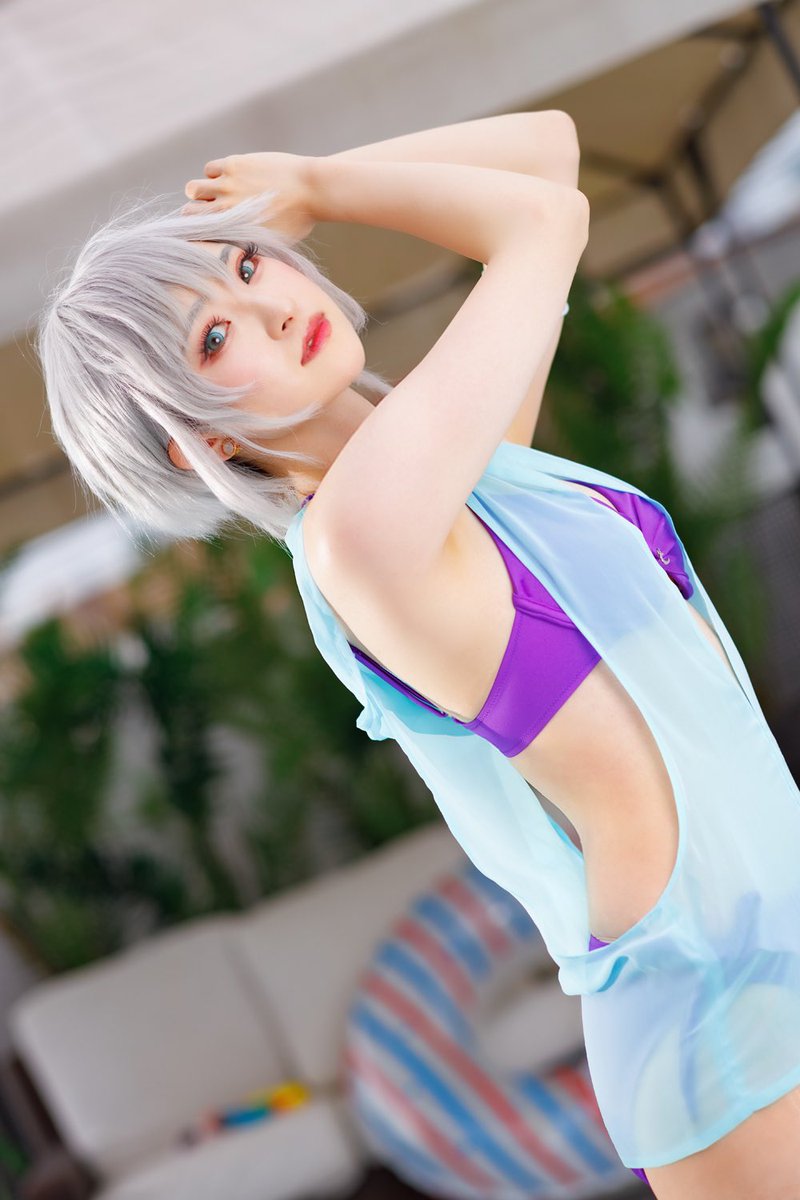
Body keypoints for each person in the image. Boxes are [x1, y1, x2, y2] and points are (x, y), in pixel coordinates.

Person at [36, 114, 800, 1198]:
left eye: (246, 265)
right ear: (202, 440)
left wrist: (312, 187)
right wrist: (317, 185)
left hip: (764, 909)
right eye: (212, 339)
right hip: (703, 978)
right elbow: (541, 221)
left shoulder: (474, 477)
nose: (268, 306)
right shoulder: (361, 536)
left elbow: (551, 153)